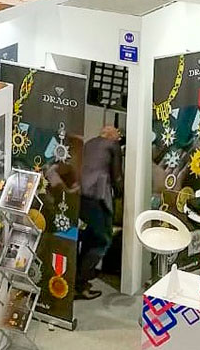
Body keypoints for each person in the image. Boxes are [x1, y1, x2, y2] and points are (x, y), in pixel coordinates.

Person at [76, 126, 124, 300]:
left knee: (90, 236)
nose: (120, 137)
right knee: (102, 240)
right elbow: (117, 177)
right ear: (111, 135)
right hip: (97, 195)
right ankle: (80, 284)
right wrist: (123, 197)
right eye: (118, 134)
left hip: (80, 195)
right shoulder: (113, 145)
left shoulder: (89, 143)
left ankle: (81, 274)